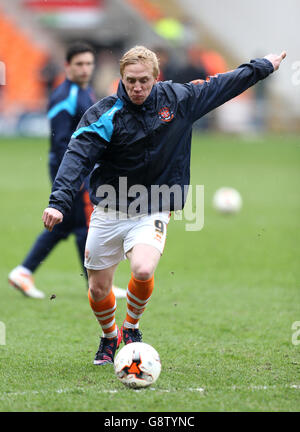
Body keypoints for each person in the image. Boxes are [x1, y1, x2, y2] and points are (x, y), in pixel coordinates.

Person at [42, 46, 286, 365]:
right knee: (99, 288)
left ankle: (131, 328)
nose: (137, 87)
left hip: (153, 206)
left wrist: (263, 66)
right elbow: (77, 156)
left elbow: (221, 85)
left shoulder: (179, 100)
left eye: (144, 80)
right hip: (109, 209)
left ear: (157, 78)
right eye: (130, 81)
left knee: (143, 268)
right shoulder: (105, 113)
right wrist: (59, 201)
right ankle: (109, 335)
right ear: (122, 78)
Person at [9, 42, 126, 300]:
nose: (85, 69)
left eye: (89, 64)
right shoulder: (66, 95)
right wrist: (74, 176)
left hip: (75, 170)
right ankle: (97, 285)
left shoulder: (83, 93)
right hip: (70, 171)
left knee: (66, 227)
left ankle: (25, 271)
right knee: (83, 226)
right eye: (79, 64)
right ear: (67, 66)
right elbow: (61, 140)